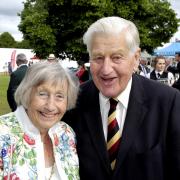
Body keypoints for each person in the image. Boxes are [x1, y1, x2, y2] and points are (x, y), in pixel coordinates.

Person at [63, 16, 180, 180]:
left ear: (136, 58)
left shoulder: (168, 102)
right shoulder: (72, 100)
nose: (106, 69)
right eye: (98, 57)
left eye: (117, 57)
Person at [0, 62, 80, 179]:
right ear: (27, 94)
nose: (50, 106)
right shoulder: (2, 133)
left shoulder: (66, 133)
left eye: (59, 96)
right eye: (42, 94)